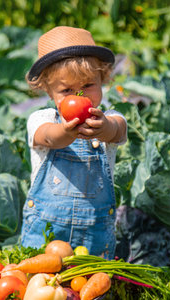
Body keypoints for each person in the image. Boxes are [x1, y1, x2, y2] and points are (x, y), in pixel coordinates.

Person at [21, 26, 127, 259]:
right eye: (67, 90)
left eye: (88, 85)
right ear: (49, 90)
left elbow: (118, 131)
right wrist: (66, 132)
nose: (80, 96)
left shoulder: (110, 118)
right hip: (45, 232)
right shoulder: (42, 119)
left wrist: (105, 128)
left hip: (95, 233)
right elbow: (47, 136)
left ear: (103, 79)